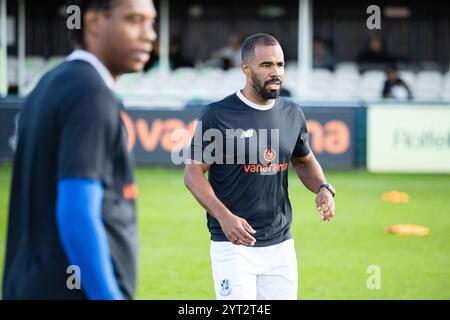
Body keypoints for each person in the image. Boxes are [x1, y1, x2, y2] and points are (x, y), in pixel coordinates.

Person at [2, 0, 157, 300]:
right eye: (134, 20)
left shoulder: (49, 83)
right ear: (95, 21)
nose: (149, 34)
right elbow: (77, 213)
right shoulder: (91, 94)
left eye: (150, 22)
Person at [184, 33, 336, 300]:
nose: (275, 72)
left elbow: (304, 159)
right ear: (246, 68)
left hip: (281, 244)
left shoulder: (292, 113)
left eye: (280, 65)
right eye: (266, 65)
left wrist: (322, 187)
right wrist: (224, 217)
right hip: (234, 244)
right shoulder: (218, 114)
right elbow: (193, 174)